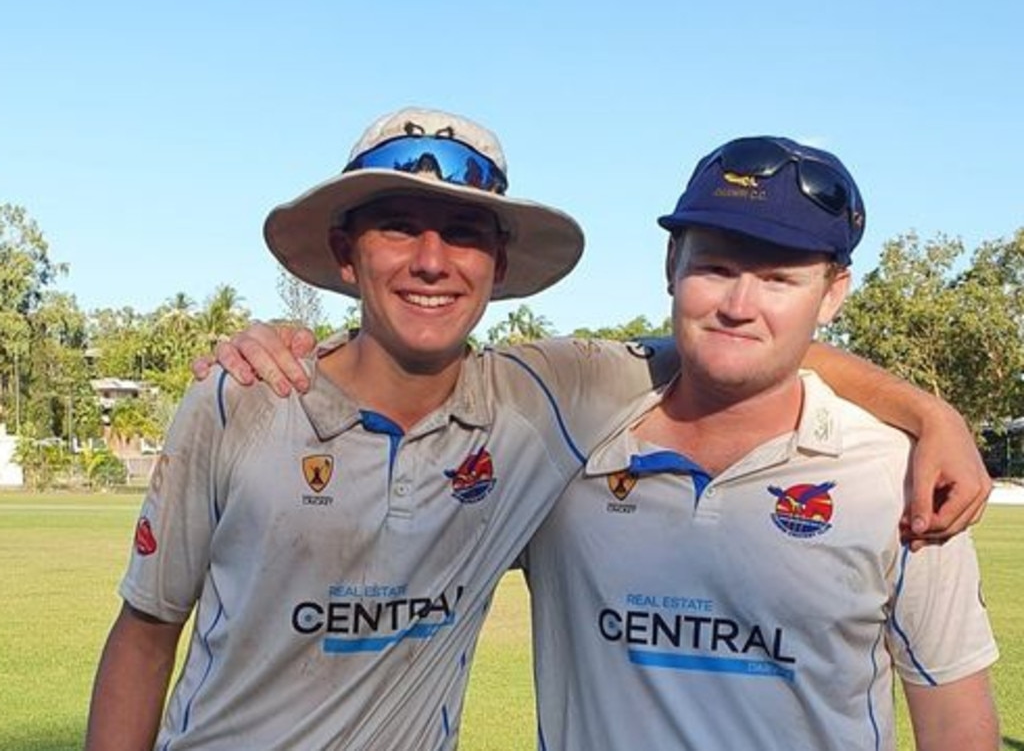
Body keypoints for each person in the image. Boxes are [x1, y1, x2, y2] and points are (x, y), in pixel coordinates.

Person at [110, 107, 988, 751]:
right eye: (396, 227)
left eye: (461, 232)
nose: (429, 259)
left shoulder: (545, 403)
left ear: (497, 265)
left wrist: (929, 413)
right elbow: (145, 633)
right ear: (346, 253)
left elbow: (740, 343)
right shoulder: (245, 397)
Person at [521, 136, 999, 750]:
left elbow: (957, 729)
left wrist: (933, 416)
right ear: (672, 265)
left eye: (779, 278)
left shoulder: (903, 478)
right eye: (716, 267)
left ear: (832, 294)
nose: (739, 306)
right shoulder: (563, 442)